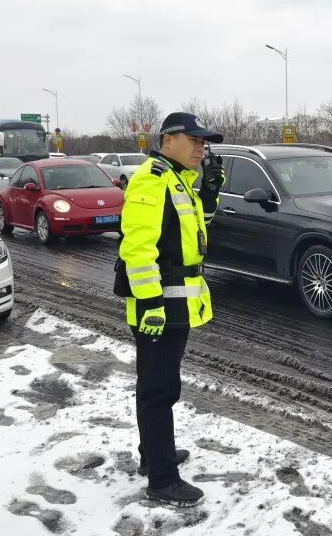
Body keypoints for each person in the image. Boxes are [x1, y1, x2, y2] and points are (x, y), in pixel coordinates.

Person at [117, 112, 225, 507]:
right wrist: (150, 305)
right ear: (167, 141)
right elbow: (138, 250)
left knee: (159, 387)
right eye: (193, 140)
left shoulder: (178, 181)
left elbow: (194, 235)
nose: (201, 147)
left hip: (176, 304)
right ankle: (162, 480)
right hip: (160, 307)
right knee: (158, 391)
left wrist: (209, 195)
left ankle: (153, 456)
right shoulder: (152, 180)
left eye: (204, 142)